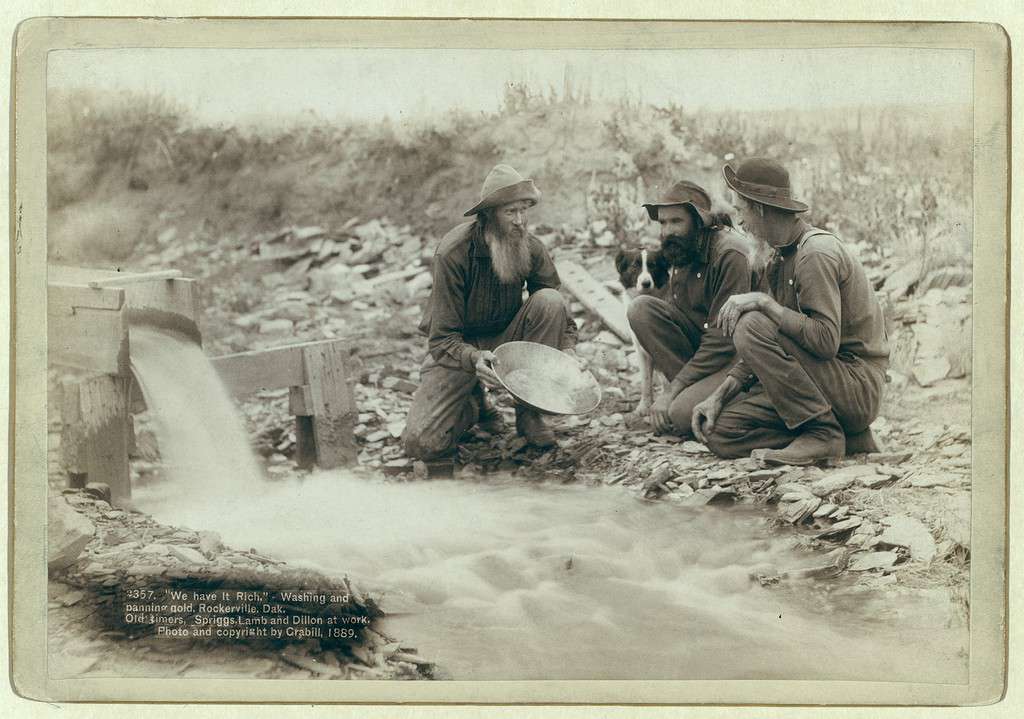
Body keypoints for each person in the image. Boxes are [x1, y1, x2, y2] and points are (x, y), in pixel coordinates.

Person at [692, 157, 890, 465]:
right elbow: (773, 341)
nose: (739, 221)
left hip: (855, 386)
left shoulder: (814, 254)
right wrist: (720, 395)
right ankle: (847, 438)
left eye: (740, 210)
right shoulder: (782, 256)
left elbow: (824, 342)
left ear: (759, 208)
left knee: (750, 323)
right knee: (721, 432)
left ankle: (822, 435)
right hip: (825, 386)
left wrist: (764, 302)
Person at [402, 164, 578, 460]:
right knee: (423, 444)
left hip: (507, 343)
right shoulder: (453, 253)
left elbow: (558, 308)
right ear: (488, 216)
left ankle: (528, 414)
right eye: (510, 212)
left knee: (548, 300)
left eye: (524, 210)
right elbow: (441, 338)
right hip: (458, 350)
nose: (520, 221)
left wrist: (568, 350)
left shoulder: (530, 247)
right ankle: (475, 405)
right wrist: (473, 359)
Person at [626, 180, 753, 436]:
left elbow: (722, 341)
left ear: (699, 222)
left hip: (736, 361)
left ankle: (733, 401)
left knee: (681, 416)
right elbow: (678, 318)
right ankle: (691, 394)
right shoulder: (682, 250)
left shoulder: (730, 254)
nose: (667, 231)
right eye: (662, 223)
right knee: (641, 309)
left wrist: (672, 392)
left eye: (676, 221)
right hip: (703, 356)